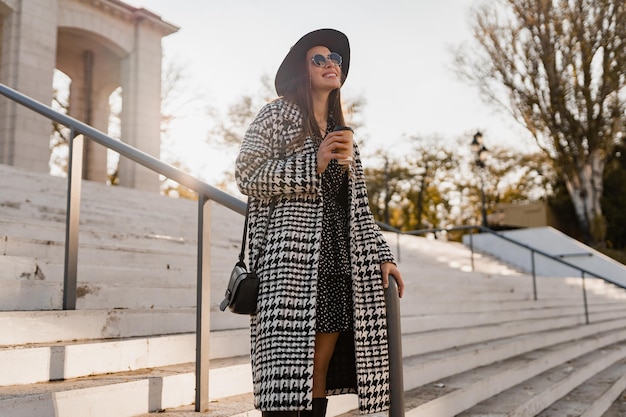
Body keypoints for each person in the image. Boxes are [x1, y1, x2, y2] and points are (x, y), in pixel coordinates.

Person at [235, 28, 404, 417]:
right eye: (320, 59)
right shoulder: (276, 114)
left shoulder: (343, 134)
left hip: (336, 267)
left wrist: (382, 254)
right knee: (283, 377)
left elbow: (358, 209)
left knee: (316, 373)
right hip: (288, 266)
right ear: (303, 70)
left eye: (336, 60)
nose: (331, 63)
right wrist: (314, 163)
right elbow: (247, 174)